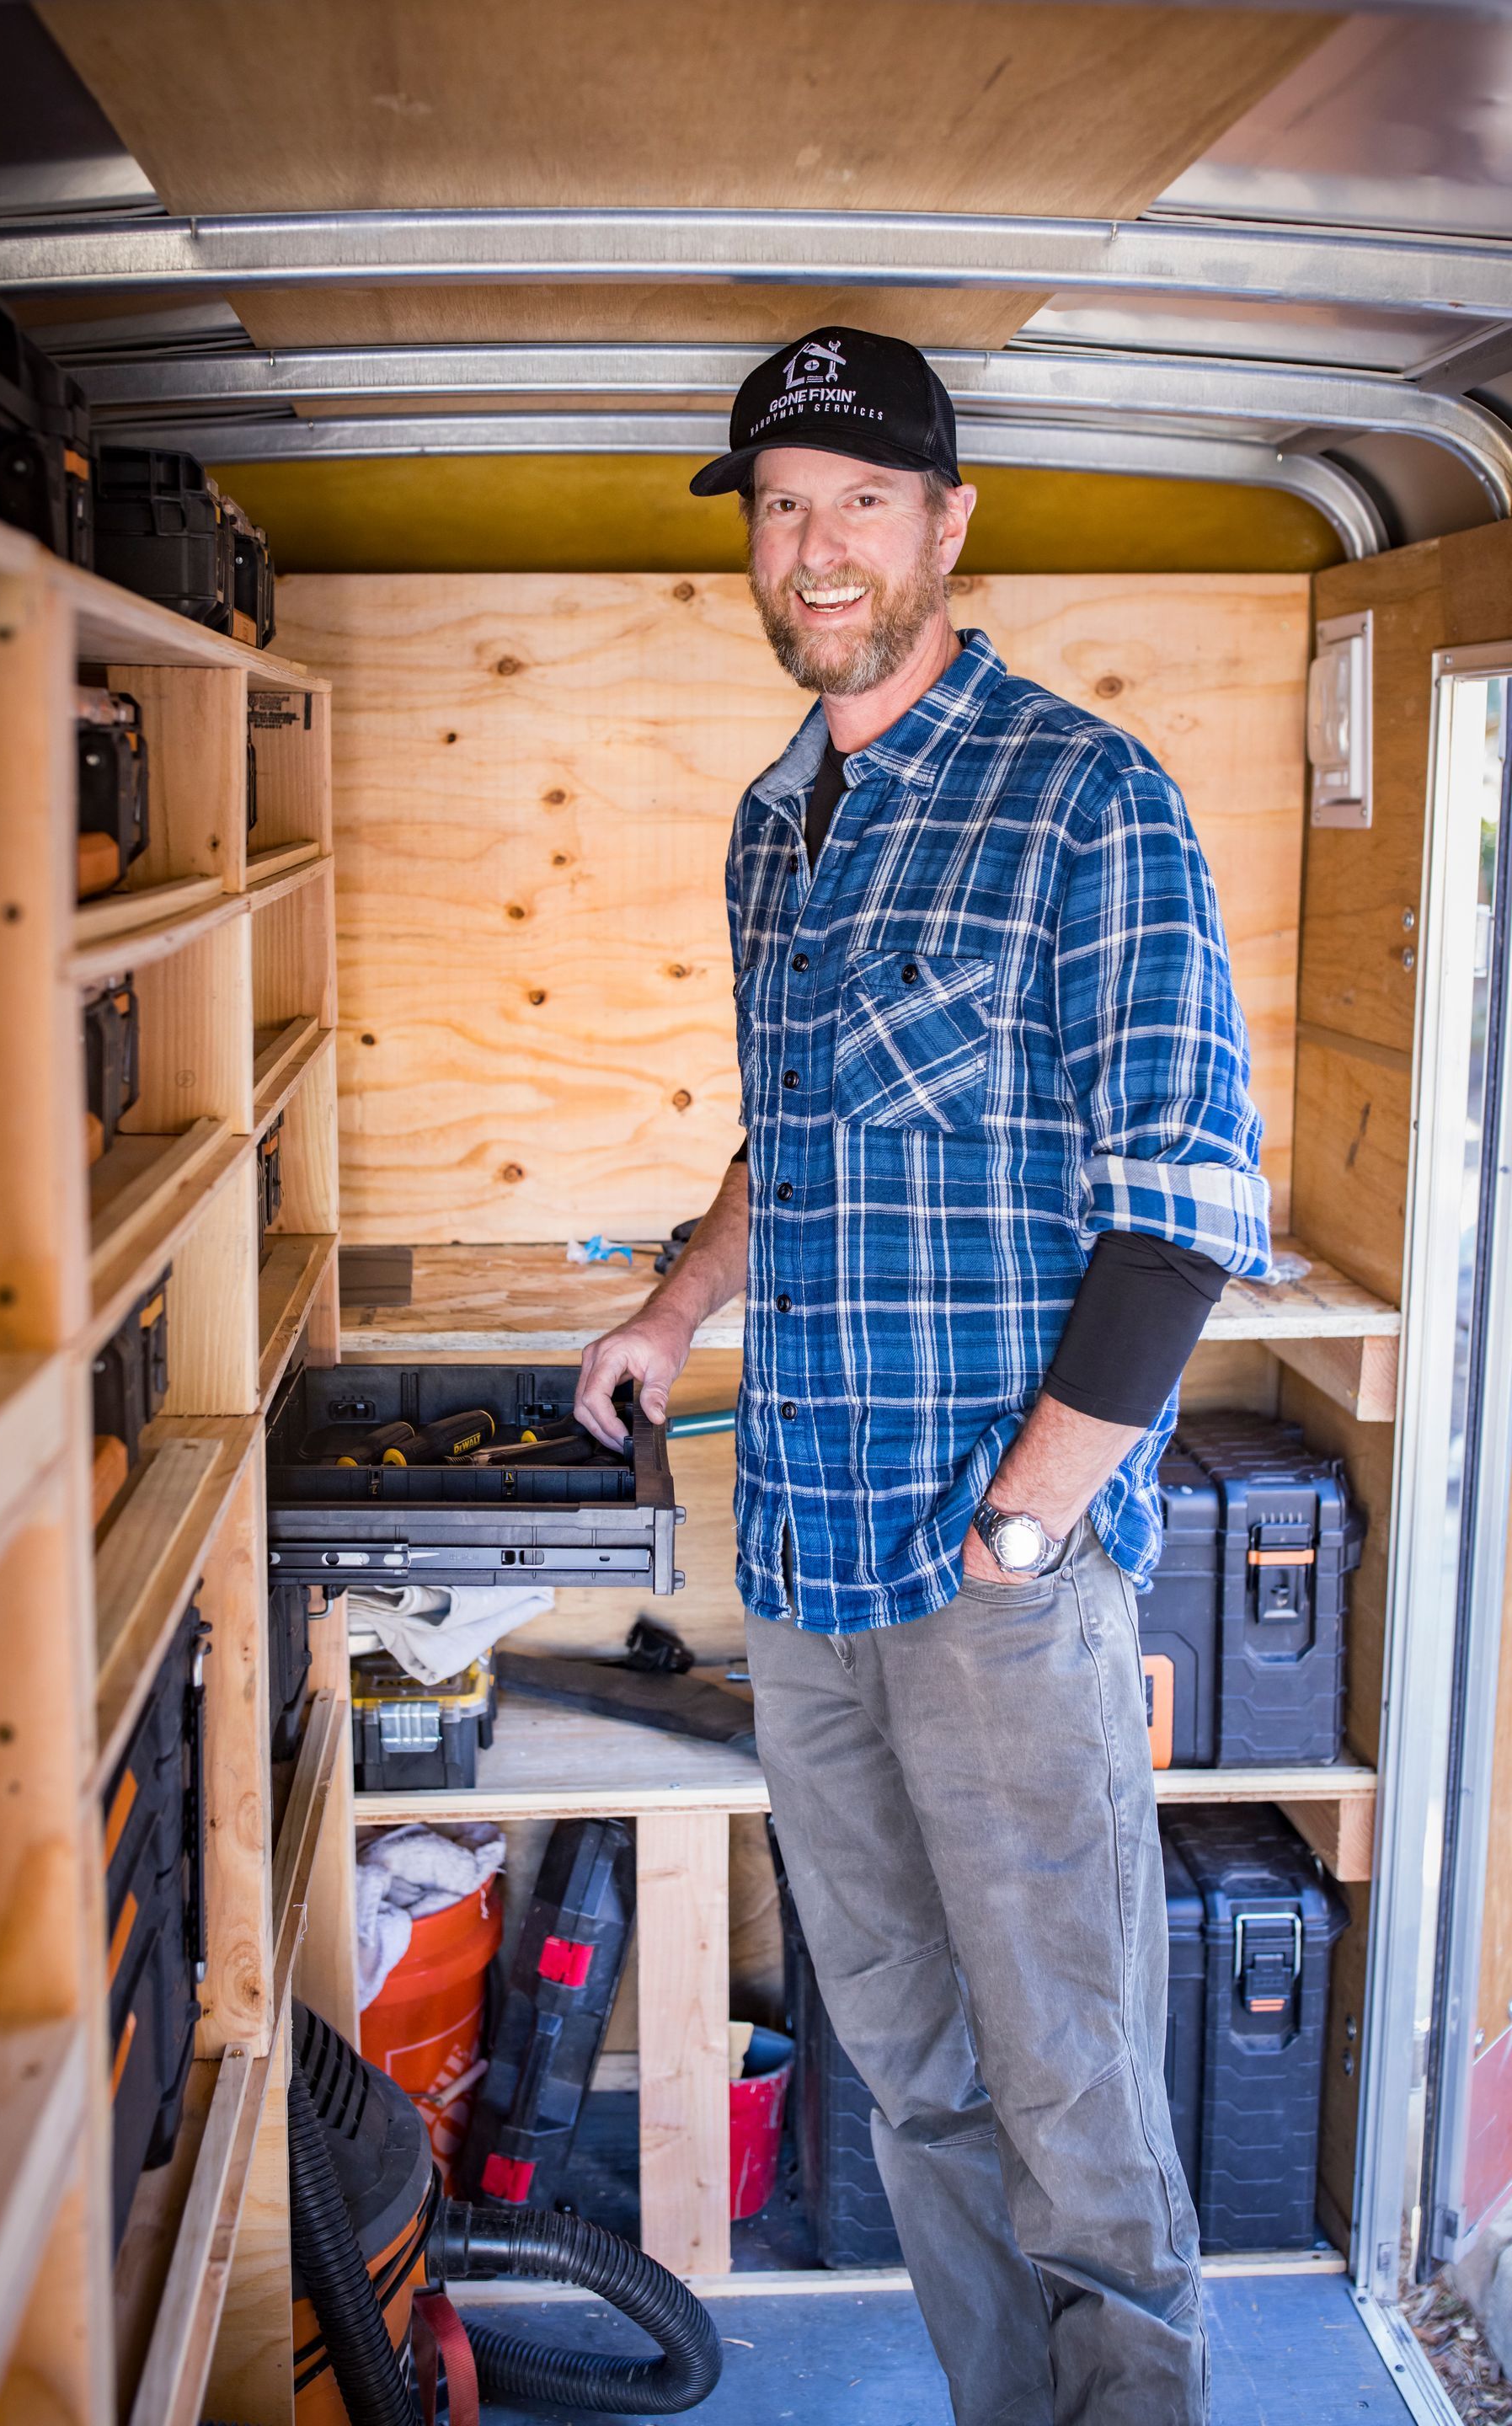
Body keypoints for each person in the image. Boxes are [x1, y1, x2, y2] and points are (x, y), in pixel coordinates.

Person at [574, 326, 1271, 2426]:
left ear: (948, 524)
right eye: (782, 506)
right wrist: (674, 1317)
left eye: (860, 502)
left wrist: (1028, 1517)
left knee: (1072, 2093)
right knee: (909, 2072)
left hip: (992, 1583)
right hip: (797, 1549)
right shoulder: (773, 827)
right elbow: (790, 1144)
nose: (816, 548)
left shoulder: (1087, 800)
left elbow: (1181, 1216)